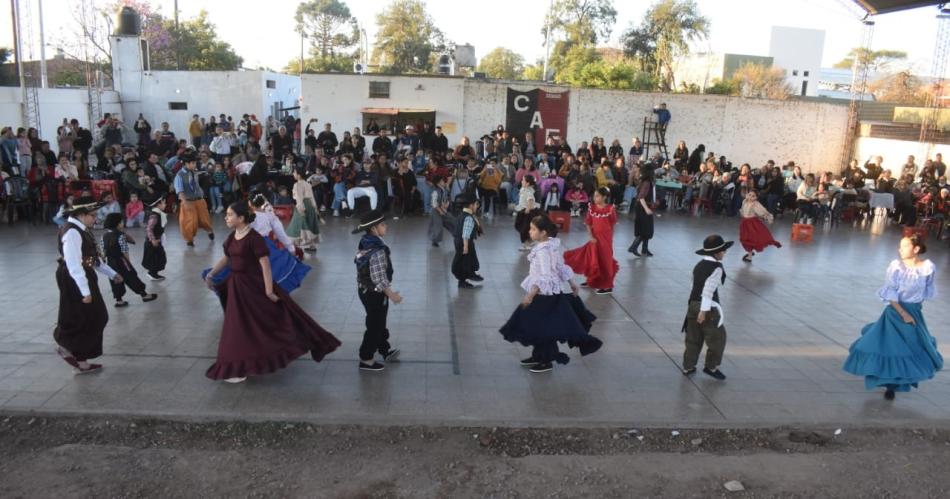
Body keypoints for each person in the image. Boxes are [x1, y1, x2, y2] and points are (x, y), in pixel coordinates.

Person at [203, 202, 340, 383]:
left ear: (241, 218)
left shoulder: (254, 238)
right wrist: (212, 274)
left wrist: (268, 291)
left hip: (254, 286)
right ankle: (238, 365)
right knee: (239, 325)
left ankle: (243, 365)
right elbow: (227, 258)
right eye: (226, 214)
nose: (226, 217)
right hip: (237, 286)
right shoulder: (232, 236)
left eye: (229, 214)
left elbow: (265, 266)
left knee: (266, 322)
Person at [843, 235, 942, 400]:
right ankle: (890, 385)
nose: (900, 250)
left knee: (914, 347)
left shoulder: (928, 267)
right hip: (895, 313)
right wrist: (903, 313)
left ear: (916, 249)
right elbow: (891, 294)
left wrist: (914, 311)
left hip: (914, 312)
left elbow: (926, 292)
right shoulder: (896, 267)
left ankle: (897, 383)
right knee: (890, 348)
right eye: (900, 246)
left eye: (905, 246)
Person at [499, 215, 601, 373]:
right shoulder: (550, 246)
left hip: (544, 295)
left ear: (543, 232)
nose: (530, 231)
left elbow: (546, 275)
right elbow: (559, 267)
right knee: (539, 326)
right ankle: (540, 355)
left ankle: (545, 360)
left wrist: (531, 295)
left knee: (541, 327)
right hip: (549, 293)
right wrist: (572, 283)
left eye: (533, 229)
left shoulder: (543, 251)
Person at [53, 197, 123, 375]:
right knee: (93, 316)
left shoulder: (81, 229)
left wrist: (112, 274)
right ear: (81, 215)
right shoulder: (72, 232)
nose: (96, 219)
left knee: (85, 317)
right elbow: (74, 264)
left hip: (82, 275)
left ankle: (81, 360)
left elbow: (92, 258)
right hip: (74, 278)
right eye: (92, 215)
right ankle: (65, 344)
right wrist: (86, 291)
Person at [203, 194, 311, 300]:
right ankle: (268, 291)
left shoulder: (249, 224)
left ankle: (264, 292)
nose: (226, 218)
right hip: (267, 246)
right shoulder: (268, 216)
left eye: (230, 215)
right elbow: (279, 232)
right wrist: (290, 247)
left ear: (250, 204)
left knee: (256, 270)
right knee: (274, 271)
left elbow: (230, 255)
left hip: (253, 247)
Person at [353, 210, 403, 372]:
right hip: (374, 293)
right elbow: (379, 278)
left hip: (365, 290)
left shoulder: (366, 241)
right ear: (374, 229)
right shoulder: (377, 250)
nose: (386, 226)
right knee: (375, 324)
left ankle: (384, 350)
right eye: (383, 224)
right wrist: (392, 294)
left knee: (378, 321)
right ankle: (366, 358)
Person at [681, 234, 731, 380]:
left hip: (692, 304)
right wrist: (703, 311)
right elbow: (707, 291)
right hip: (707, 308)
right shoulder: (717, 268)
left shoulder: (699, 265)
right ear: (716, 253)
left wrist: (694, 307)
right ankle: (711, 367)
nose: (724, 252)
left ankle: (688, 366)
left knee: (693, 338)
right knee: (718, 338)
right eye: (723, 250)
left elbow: (695, 286)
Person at [564, 187, 619, 295]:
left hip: (606, 239)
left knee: (605, 260)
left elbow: (612, 223)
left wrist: (609, 238)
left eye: (597, 196)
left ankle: (608, 285)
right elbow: (588, 223)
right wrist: (591, 236)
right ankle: (592, 281)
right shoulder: (592, 208)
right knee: (593, 259)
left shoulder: (610, 209)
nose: (595, 198)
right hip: (594, 238)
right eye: (594, 196)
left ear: (604, 197)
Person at [100, 213, 158, 308]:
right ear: (118, 224)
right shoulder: (121, 236)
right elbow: (124, 251)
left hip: (110, 262)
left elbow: (103, 251)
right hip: (122, 261)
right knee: (132, 277)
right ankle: (144, 295)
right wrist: (129, 264)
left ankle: (119, 300)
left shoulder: (104, 236)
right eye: (122, 222)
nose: (123, 223)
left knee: (115, 279)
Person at [174, 151, 215, 247]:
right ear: (186, 164)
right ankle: (189, 239)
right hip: (188, 201)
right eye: (192, 163)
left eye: (195, 163)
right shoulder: (179, 176)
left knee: (205, 219)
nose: (194, 165)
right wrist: (184, 202)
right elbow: (180, 191)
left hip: (199, 199)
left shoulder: (194, 171)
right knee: (190, 222)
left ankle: (209, 231)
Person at [738, 191, 781, 263]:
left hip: (752, 223)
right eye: (750, 195)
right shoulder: (744, 202)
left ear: (756, 197)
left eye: (753, 196)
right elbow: (742, 211)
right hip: (745, 223)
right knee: (745, 239)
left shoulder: (755, 204)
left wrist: (767, 217)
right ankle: (749, 255)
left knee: (752, 239)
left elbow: (763, 212)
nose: (751, 197)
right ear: (747, 195)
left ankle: (749, 256)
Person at [452, 193, 484, 289]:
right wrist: (466, 246)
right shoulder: (469, 218)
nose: (477, 206)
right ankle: (464, 280)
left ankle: (470, 274)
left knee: (467, 259)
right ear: (471, 205)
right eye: (476, 204)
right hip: (464, 242)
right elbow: (465, 234)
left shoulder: (462, 214)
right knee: (465, 261)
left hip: (458, 241)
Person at [286, 166, 321, 253]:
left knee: (296, 226)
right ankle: (312, 246)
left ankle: (294, 246)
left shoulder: (297, 185)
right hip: (310, 205)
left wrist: (301, 209)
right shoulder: (307, 184)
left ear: (299, 175)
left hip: (303, 205)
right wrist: (315, 208)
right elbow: (312, 197)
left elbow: (299, 198)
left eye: (294, 172)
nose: (293, 174)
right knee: (309, 224)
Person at [628, 164, 656, 257]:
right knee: (644, 229)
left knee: (646, 229)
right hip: (643, 208)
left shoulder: (645, 181)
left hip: (643, 207)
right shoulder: (647, 182)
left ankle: (644, 249)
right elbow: (641, 197)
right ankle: (633, 247)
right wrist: (647, 209)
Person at [142, 197, 168, 281]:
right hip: (152, 241)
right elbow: (149, 228)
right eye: (164, 203)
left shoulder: (158, 214)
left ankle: (154, 273)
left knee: (159, 257)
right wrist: (153, 239)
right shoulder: (154, 215)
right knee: (154, 258)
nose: (165, 204)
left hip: (157, 239)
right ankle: (152, 273)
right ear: (158, 204)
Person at [514, 175, 541, 251]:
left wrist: (528, 208)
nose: (521, 181)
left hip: (528, 212)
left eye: (523, 180)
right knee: (519, 225)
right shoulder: (523, 189)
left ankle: (526, 244)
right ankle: (531, 241)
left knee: (525, 228)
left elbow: (530, 200)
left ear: (527, 183)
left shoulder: (529, 191)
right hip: (522, 210)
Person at [428, 175, 454, 248]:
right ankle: (435, 241)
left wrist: (447, 204)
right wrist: (440, 210)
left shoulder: (444, 189)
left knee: (451, 221)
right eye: (442, 181)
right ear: (438, 183)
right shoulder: (435, 192)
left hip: (443, 209)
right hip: (436, 211)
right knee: (438, 226)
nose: (444, 182)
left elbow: (447, 198)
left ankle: (457, 235)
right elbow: (434, 203)